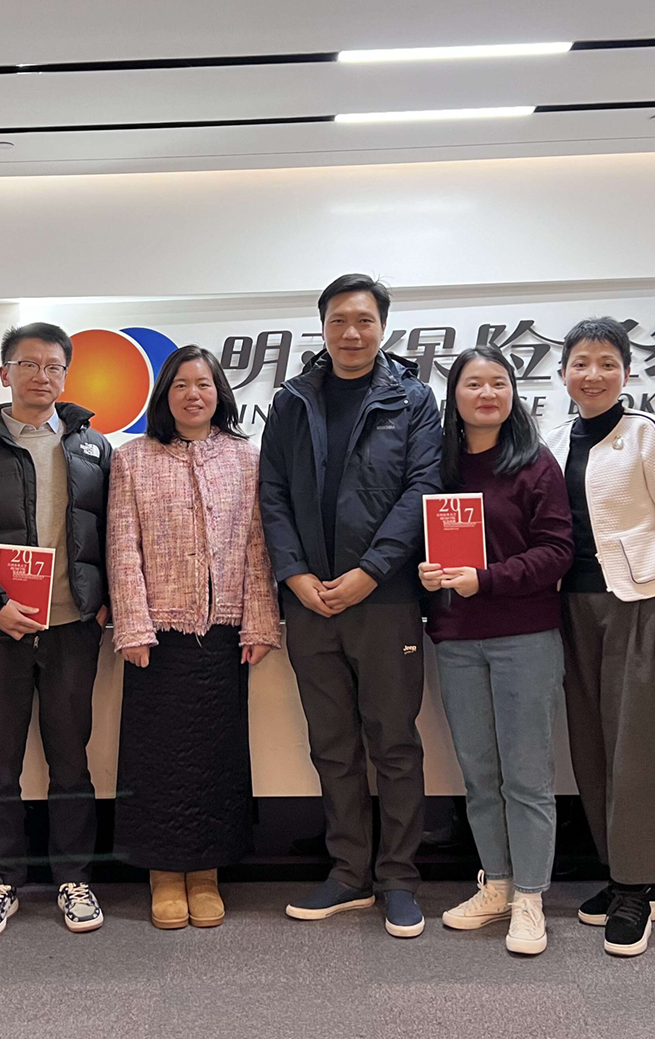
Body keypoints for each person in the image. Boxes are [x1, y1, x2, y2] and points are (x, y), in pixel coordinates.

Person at [259, 273, 443, 939]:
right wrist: (294, 574)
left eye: (364, 320)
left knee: (393, 741)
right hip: (310, 603)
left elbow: (423, 486)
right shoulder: (292, 400)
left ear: (383, 327)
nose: (351, 333)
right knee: (333, 744)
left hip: (385, 599)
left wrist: (372, 570)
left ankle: (397, 878)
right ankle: (348, 873)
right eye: (339, 320)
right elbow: (272, 492)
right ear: (323, 327)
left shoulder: (412, 399)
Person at [0, 322, 111, 941]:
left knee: (71, 760)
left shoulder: (93, 448)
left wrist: (105, 601)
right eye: (28, 364)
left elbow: (115, 533)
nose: (42, 376)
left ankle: (74, 878)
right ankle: (0, 881)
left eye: (54, 366)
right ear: (4, 372)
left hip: (71, 628)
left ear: (66, 374)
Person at [107, 346, 280, 930]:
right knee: (157, 757)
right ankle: (163, 872)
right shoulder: (133, 458)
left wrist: (260, 620)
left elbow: (257, 545)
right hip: (157, 636)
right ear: (165, 394)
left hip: (224, 632)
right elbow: (122, 545)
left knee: (216, 757)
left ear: (219, 392)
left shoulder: (246, 457)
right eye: (180, 384)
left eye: (203, 384)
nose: (192, 395)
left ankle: (206, 872)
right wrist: (133, 624)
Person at [542, 317, 655, 958]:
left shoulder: (647, 432)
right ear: (563, 374)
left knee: (639, 746)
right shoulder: (553, 439)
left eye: (607, 362)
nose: (593, 374)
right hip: (570, 605)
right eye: (581, 362)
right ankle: (627, 875)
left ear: (627, 372)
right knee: (592, 744)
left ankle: (635, 886)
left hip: (641, 603)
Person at [419, 347, 573, 956]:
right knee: (480, 774)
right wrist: (426, 573)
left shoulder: (535, 463)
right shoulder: (437, 467)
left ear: (513, 393)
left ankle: (531, 898)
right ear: (453, 395)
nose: (487, 393)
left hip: (524, 637)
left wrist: (486, 580)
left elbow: (557, 551)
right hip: (457, 639)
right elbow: (416, 540)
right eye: (473, 383)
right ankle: (498, 884)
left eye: (499, 383)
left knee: (527, 776)